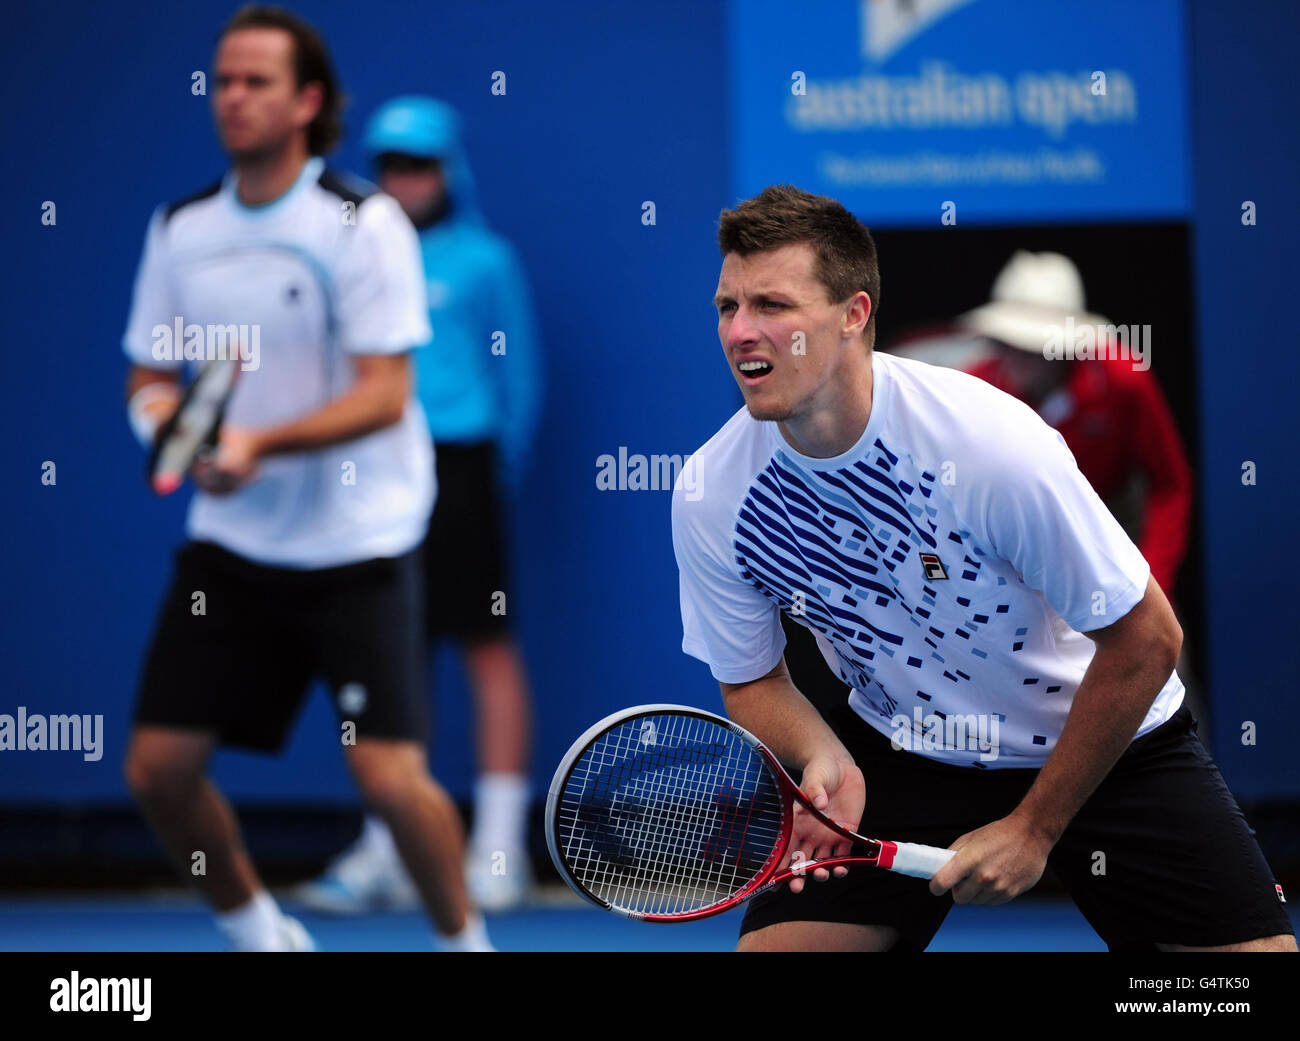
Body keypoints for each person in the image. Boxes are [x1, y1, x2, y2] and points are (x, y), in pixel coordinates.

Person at [671, 184, 1295, 952]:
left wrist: (1033, 828)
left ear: (854, 315)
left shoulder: (991, 446)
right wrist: (823, 753)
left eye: (772, 304)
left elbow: (1146, 642)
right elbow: (751, 679)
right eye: (727, 307)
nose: (741, 330)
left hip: (1106, 743)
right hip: (902, 747)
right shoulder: (712, 492)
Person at [121, 7, 490, 952]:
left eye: (256, 81)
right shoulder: (179, 228)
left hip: (356, 543)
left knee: (388, 783)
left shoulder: (361, 223)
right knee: (158, 771)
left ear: (308, 101)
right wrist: (171, 431)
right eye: (222, 80)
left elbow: (385, 392)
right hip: (233, 546)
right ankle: (263, 936)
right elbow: (150, 378)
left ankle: (464, 942)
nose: (232, 98)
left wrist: (256, 445)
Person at [298, 97, 542, 913]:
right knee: (386, 657)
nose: (404, 181)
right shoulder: (354, 258)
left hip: (462, 470)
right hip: (376, 471)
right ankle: (389, 847)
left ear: (448, 172)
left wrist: (490, 472)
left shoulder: (486, 260)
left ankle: (500, 848)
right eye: (391, 165)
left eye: (420, 165)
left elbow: (521, 383)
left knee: (486, 647)